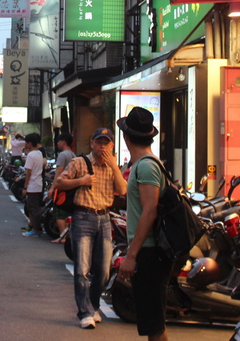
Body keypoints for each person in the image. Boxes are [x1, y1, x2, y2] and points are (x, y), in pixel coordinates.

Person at [53, 127, 127, 329]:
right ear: (92, 143)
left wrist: (115, 166)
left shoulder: (112, 167)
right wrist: (81, 181)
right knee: (82, 269)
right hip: (83, 217)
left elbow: (122, 190)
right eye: (99, 142)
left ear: (112, 146)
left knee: (103, 270)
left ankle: (93, 305)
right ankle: (85, 312)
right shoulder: (80, 162)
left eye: (107, 143)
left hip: (104, 219)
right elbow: (59, 182)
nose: (102, 146)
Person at [117, 107, 172, 341]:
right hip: (148, 251)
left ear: (126, 137)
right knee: (152, 324)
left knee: (154, 326)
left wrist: (132, 255)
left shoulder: (147, 166)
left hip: (149, 253)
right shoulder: (142, 165)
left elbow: (149, 211)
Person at [50, 133, 75, 243]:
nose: (57, 143)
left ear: (64, 142)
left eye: (59, 141)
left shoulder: (62, 155)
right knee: (66, 213)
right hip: (71, 187)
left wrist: (52, 188)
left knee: (59, 213)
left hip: (62, 188)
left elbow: (58, 172)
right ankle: (67, 236)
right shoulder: (73, 155)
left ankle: (63, 237)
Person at [21, 133, 45, 237]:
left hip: (33, 185)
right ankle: (36, 228)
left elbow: (28, 172)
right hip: (39, 183)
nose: (25, 144)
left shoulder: (31, 155)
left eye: (26, 142)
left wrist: (25, 187)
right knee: (35, 207)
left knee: (33, 208)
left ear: (30, 143)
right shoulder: (39, 153)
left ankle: (36, 230)